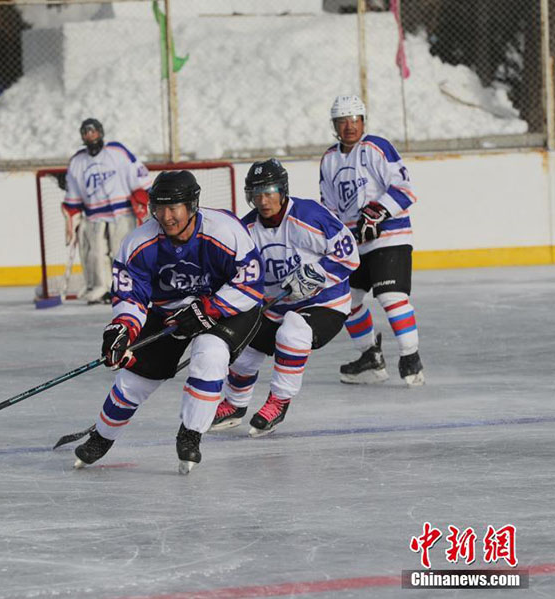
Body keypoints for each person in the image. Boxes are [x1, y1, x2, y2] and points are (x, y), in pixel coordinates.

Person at [73, 170, 264, 474]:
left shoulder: (225, 230)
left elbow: (250, 284)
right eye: (159, 208)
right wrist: (122, 328)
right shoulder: (139, 242)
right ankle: (101, 437)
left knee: (210, 354)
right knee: (133, 379)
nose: (166, 216)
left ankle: (190, 434)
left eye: (173, 207)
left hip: (229, 308)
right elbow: (131, 296)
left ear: (192, 205)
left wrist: (209, 308)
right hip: (170, 311)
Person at [209, 159, 360, 437]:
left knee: (293, 331)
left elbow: (349, 256)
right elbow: (238, 276)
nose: (263, 200)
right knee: (244, 348)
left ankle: (278, 401)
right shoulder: (246, 231)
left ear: (283, 190)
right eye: (257, 193)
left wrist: (317, 274)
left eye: (269, 191)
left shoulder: (310, 215)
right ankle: (235, 404)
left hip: (324, 304)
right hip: (275, 307)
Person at [319, 95, 425, 386]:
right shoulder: (329, 159)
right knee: (344, 301)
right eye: (342, 121)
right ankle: (370, 357)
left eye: (354, 120)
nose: (349, 126)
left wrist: (378, 211)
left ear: (363, 121)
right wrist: (331, 237)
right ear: (335, 125)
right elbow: (328, 206)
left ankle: (410, 357)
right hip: (353, 245)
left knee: (390, 297)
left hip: (389, 237)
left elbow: (405, 189)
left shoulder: (376, 147)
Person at [62, 118, 151, 304]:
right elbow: (73, 197)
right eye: (85, 132)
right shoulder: (77, 162)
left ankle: (126, 287)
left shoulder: (117, 152)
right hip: (94, 216)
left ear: (100, 133)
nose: (90, 135)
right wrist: (72, 214)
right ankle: (100, 289)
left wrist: (142, 196)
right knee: (95, 254)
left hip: (122, 212)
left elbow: (139, 176)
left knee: (122, 251)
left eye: (93, 131)